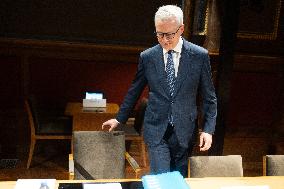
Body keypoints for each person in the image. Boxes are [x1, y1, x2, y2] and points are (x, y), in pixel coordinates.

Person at [102, 5, 217, 177]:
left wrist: (208, 130)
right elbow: (135, 89)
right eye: (159, 34)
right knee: (162, 178)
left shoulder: (199, 55)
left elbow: (209, 97)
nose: (164, 40)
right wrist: (120, 118)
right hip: (156, 129)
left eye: (169, 34)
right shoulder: (148, 57)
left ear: (181, 29)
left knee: (179, 178)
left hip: (185, 129)